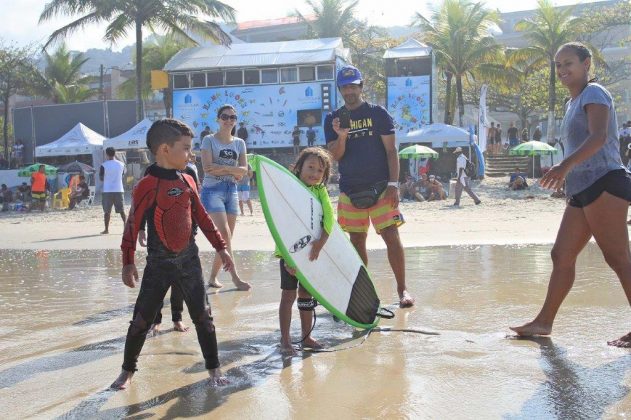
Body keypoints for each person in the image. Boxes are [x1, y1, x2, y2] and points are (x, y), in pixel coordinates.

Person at [510, 42, 631, 348]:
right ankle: (544, 322)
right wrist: (568, 178)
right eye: (558, 65)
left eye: (569, 64)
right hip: (582, 189)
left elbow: (599, 136)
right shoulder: (570, 104)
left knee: (618, 259)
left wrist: (563, 166)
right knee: (561, 255)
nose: (563, 70)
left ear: (586, 63)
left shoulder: (594, 92)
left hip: (605, 183)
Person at [111, 118, 233, 390]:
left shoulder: (188, 178)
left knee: (203, 317)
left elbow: (202, 217)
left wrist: (221, 248)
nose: (191, 154)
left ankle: (214, 369)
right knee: (141, 320)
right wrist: (127, 262)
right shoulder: (147, 184)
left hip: (189, 260)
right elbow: (132, 224)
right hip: (158, 264)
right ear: (165, 149)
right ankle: (126, 371)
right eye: (186, 148)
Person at [325, 65, 414, 308]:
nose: (349, 91)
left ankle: (402, 289)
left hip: (381, 187)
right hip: (350, 188)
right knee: (356, 240)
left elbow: (391, 150)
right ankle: (364, 292)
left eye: (353, 85)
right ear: (340, 90)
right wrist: (341, 135)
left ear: (361, 86)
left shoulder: (378, 114)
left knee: (391, 236)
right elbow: (336, 156)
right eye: (344, 87)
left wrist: (394, 183)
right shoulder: (332, 118)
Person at [278, 148, 333, 355]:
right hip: (289, 252)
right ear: (299, 167)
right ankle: (285, 339)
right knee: (288, 296)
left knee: (306, 294)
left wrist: (321, 243)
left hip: (311, 252)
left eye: (320, 170)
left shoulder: (321, 192)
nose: (315, 173)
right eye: (310, 167)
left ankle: (306, 335)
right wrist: (286, 258)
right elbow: (280, 224)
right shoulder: (289, 189)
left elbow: (329, 219)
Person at [200, 104, 251, 291]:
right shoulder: (208, 140)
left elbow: (245, 170)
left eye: (232, 117)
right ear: (218, 119)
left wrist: (225, 168)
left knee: (225, 238)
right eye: (225, 116)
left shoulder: (239, 143)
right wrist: (234, 169)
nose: (229, 120)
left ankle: (213, 278)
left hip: (232, 190)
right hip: (212, 189)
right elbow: (207, 168)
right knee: (225, 235)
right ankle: (236, 278)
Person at [100, 147, 126, 234]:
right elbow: (122, 175)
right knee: (121, 210)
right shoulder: (121, 164)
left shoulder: (104, 165)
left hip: (107, 190)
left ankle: (106, 229)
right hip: (119, 189)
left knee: (107, 211)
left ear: (106, 154)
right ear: (115, 154)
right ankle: (125, 228)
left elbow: (101, 178)